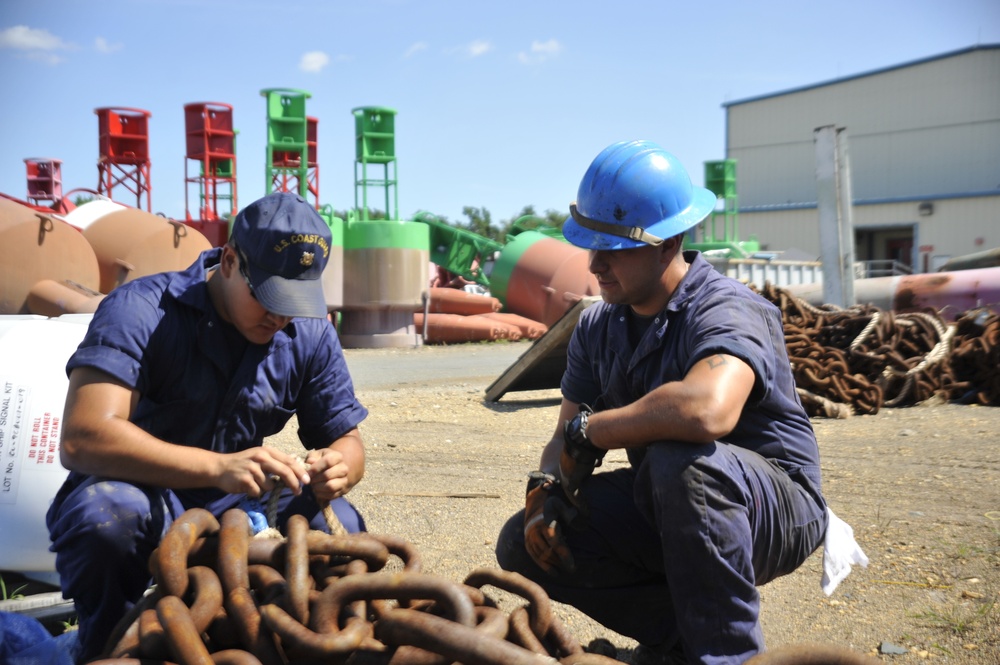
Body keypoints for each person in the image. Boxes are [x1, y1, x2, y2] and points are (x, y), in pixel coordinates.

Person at [495, 141, 829, 664]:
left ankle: (726, 657)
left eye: (613, 246)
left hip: (772, 504)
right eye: (590, 243)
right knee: (523, 544)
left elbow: (706, 411)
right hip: (671, 495)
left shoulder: (726, 308)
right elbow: (565, 433)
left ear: (668, 242)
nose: (596, 263)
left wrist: (596, 431)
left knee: (683, 460)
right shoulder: (597, 326)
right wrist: (549, 489)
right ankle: (681, 639)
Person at [46, 192, 369, 662]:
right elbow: (84, 435)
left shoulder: (308, 332)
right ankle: (106, 642)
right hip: (146, 493)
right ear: (232, 260)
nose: (280, 318)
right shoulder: (142, 310)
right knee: (107, 517)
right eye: (269, 298)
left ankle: (297, 647)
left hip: (241, 500)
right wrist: (216, 467)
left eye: (294, 302)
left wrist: (342, 466)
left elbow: (346, 438)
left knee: (345, 532)